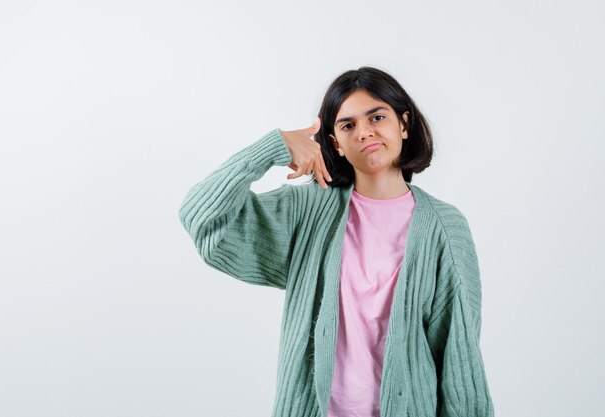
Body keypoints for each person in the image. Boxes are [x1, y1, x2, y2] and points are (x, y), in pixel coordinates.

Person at [178, 66, 495, 417]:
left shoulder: (444, 228)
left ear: (403, 124)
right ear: (335, 144)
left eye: (377, 116)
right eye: (348, 125)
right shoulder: (308, 210)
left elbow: (459, 354)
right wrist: (270, 149)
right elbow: (202, 217)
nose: (364, 132)